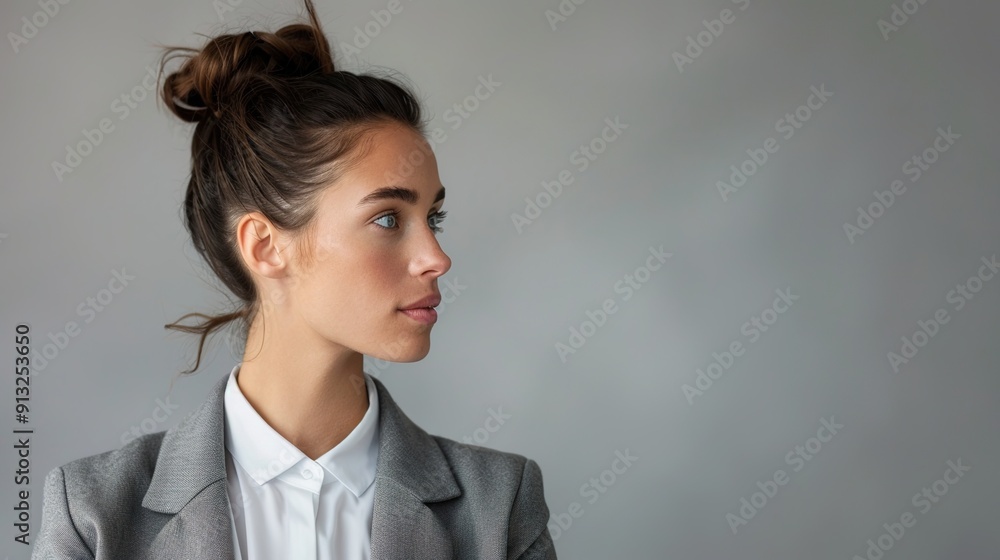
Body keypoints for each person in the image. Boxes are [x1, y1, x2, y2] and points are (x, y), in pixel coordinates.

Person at [31, 0, 556, 558]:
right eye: (387, 219)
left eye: (434, 218)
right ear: (265, 245)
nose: (436, 257)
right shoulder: (93, 514)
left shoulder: (498, 506)